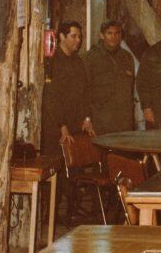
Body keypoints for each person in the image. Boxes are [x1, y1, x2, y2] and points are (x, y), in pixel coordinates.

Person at [41, 21, 94, 157]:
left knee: (75, 169)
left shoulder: (78, 61)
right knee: (58, 166)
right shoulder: (52, 61)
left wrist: (87, 118)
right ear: (62, 37)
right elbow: (50, 97)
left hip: (75, 124)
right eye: (73, 36)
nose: (78, 40)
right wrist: (62, 126)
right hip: (56, 127)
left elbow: (86, 92)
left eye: (80, 37)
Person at [82, 20, 135, 135]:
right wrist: (86, 118)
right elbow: (84, 91)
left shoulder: (127, 57)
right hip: (101, 121)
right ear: (102, 35)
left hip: (124, 122)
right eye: (109, 33)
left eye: (117, 33)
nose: (113, 37)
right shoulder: (90, 58)